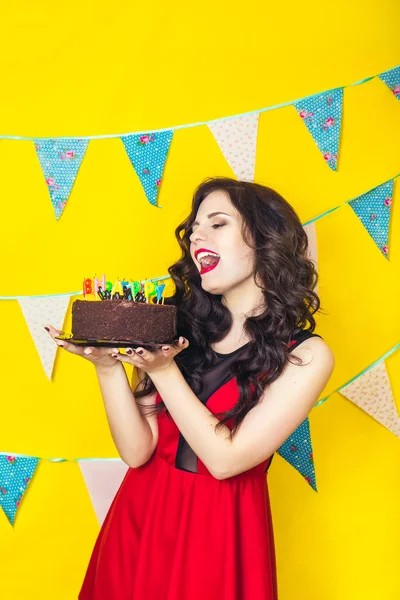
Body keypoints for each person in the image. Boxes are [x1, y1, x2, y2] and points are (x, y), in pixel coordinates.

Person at [46, 176, 335, 600]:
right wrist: (107, 369)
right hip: (141, 515)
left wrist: (165, 372)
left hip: (219, 531)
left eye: (217, 224)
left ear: (264, 237)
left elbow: (225, 461)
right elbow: (137, 451)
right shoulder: (179, 327)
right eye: (194, 228)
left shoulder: (306, 355)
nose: (197, 235)